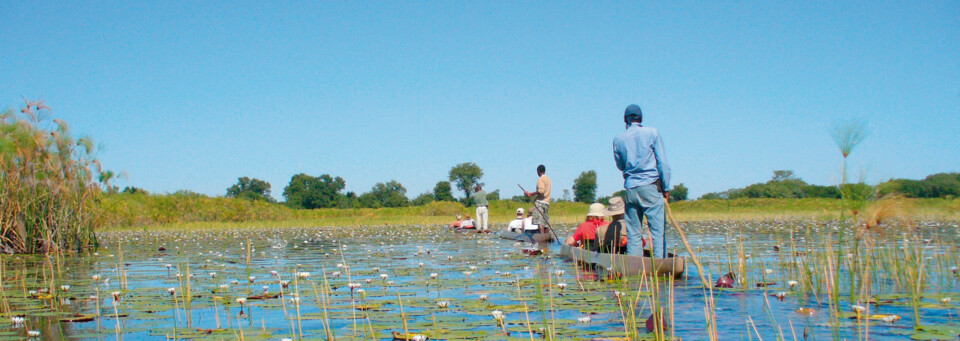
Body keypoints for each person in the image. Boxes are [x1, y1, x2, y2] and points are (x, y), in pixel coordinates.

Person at [613, 104, 671, 258]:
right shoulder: (653, 133)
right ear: (641, 118)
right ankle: (660, 269)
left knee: (633, 234)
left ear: (626, 120)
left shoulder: (618, 139)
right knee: (658, 233)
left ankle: (635, 274)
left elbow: (620, 165)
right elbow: (663, 164)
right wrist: (665, 188)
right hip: (651, 187)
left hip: (631, 189)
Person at [523, 164, 551, 233]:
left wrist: (530, 194)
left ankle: (541, 238)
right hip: (547, 203)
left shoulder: (540, 179)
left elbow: (541, 191)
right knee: (546, 222)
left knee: (539, 222)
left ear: (538, 171)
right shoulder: (548, 179)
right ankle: (546, 238)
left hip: (540, 203)